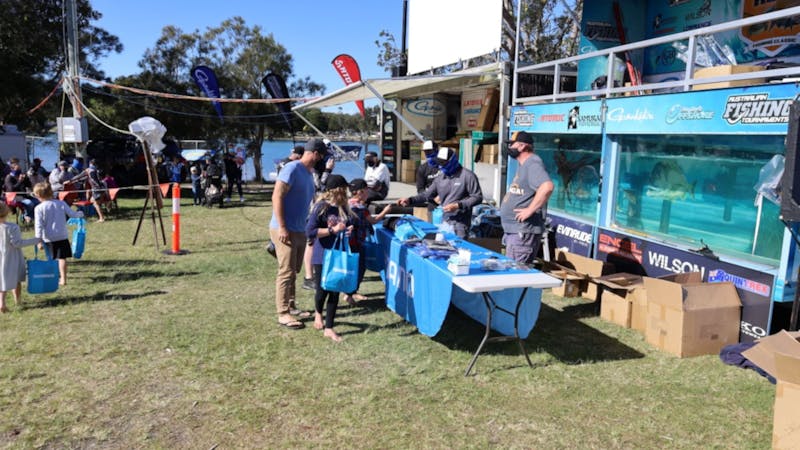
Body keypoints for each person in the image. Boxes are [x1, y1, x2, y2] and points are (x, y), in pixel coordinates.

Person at [269, 138, 328, 330]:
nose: (323, 160)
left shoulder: (309, 173)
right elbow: (277, 195)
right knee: (286, 270)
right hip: (284, 228)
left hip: (299, 229)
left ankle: (291, 305)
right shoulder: (292, 169)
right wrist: (283, 227)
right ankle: (282, 313)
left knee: (294, 270)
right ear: (316, 154)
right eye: (322, 156)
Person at [305, 174, 355, 342]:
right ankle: (318, 314)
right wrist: (332, 230)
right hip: (322, 254)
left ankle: (329, 327)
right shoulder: (321, 207)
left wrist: (348, 229)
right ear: (338, 190)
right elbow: (310, 231)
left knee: (334, 289)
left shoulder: (343, 207)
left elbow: (345, 226)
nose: (347, 193)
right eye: (345, 189)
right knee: (322, 289)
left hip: (338, 253)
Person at [398, 147, 483, 238]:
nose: (440, 166)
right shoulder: (440, 178)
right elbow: (426, 195)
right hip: (444, 223)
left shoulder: (468, 176)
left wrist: (458, 205)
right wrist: (410, 200)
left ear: (452, 161)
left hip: (460, 225)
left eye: (443, 163)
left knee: (459, 249)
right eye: (439, 163)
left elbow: (477, 197)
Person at [500, 131, 554, 264]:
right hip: (516, 232)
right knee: (511, 274)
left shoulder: (532, 163)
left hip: (522, 233)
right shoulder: (524, 165)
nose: (510, 147)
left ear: (522, 146)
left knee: (514, 275)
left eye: (512, 144)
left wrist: (529, 210)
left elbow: (547, 187)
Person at [344, 178, 391, 306]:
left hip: (347, 242)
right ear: (359, 192)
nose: (368, 194)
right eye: (366, 191)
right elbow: (373, 221)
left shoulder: (347, 204)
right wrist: (385, 212)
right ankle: (349, 294)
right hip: (356, 243)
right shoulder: (360, 208)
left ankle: (351, 292)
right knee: (358, 268)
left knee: (352, 268)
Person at [33, 182, 84, 286]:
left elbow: (38, 226)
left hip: (48, 238)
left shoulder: (38, 208)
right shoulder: (61, 203)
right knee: (62, 258)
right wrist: (80, 214)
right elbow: (72, 214)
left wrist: (38, 240)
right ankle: (63, 279)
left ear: (38, 195)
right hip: (62, 235)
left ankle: (54, 277)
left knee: (51, 258)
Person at [0, 202, 40, 313]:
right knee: (16, 278)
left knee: (1, 280)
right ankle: (18, 300)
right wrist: (36, 240)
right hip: (12, 257)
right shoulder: (12, 227)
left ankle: (2, 303)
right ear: (6, 211)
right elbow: (17, 243)